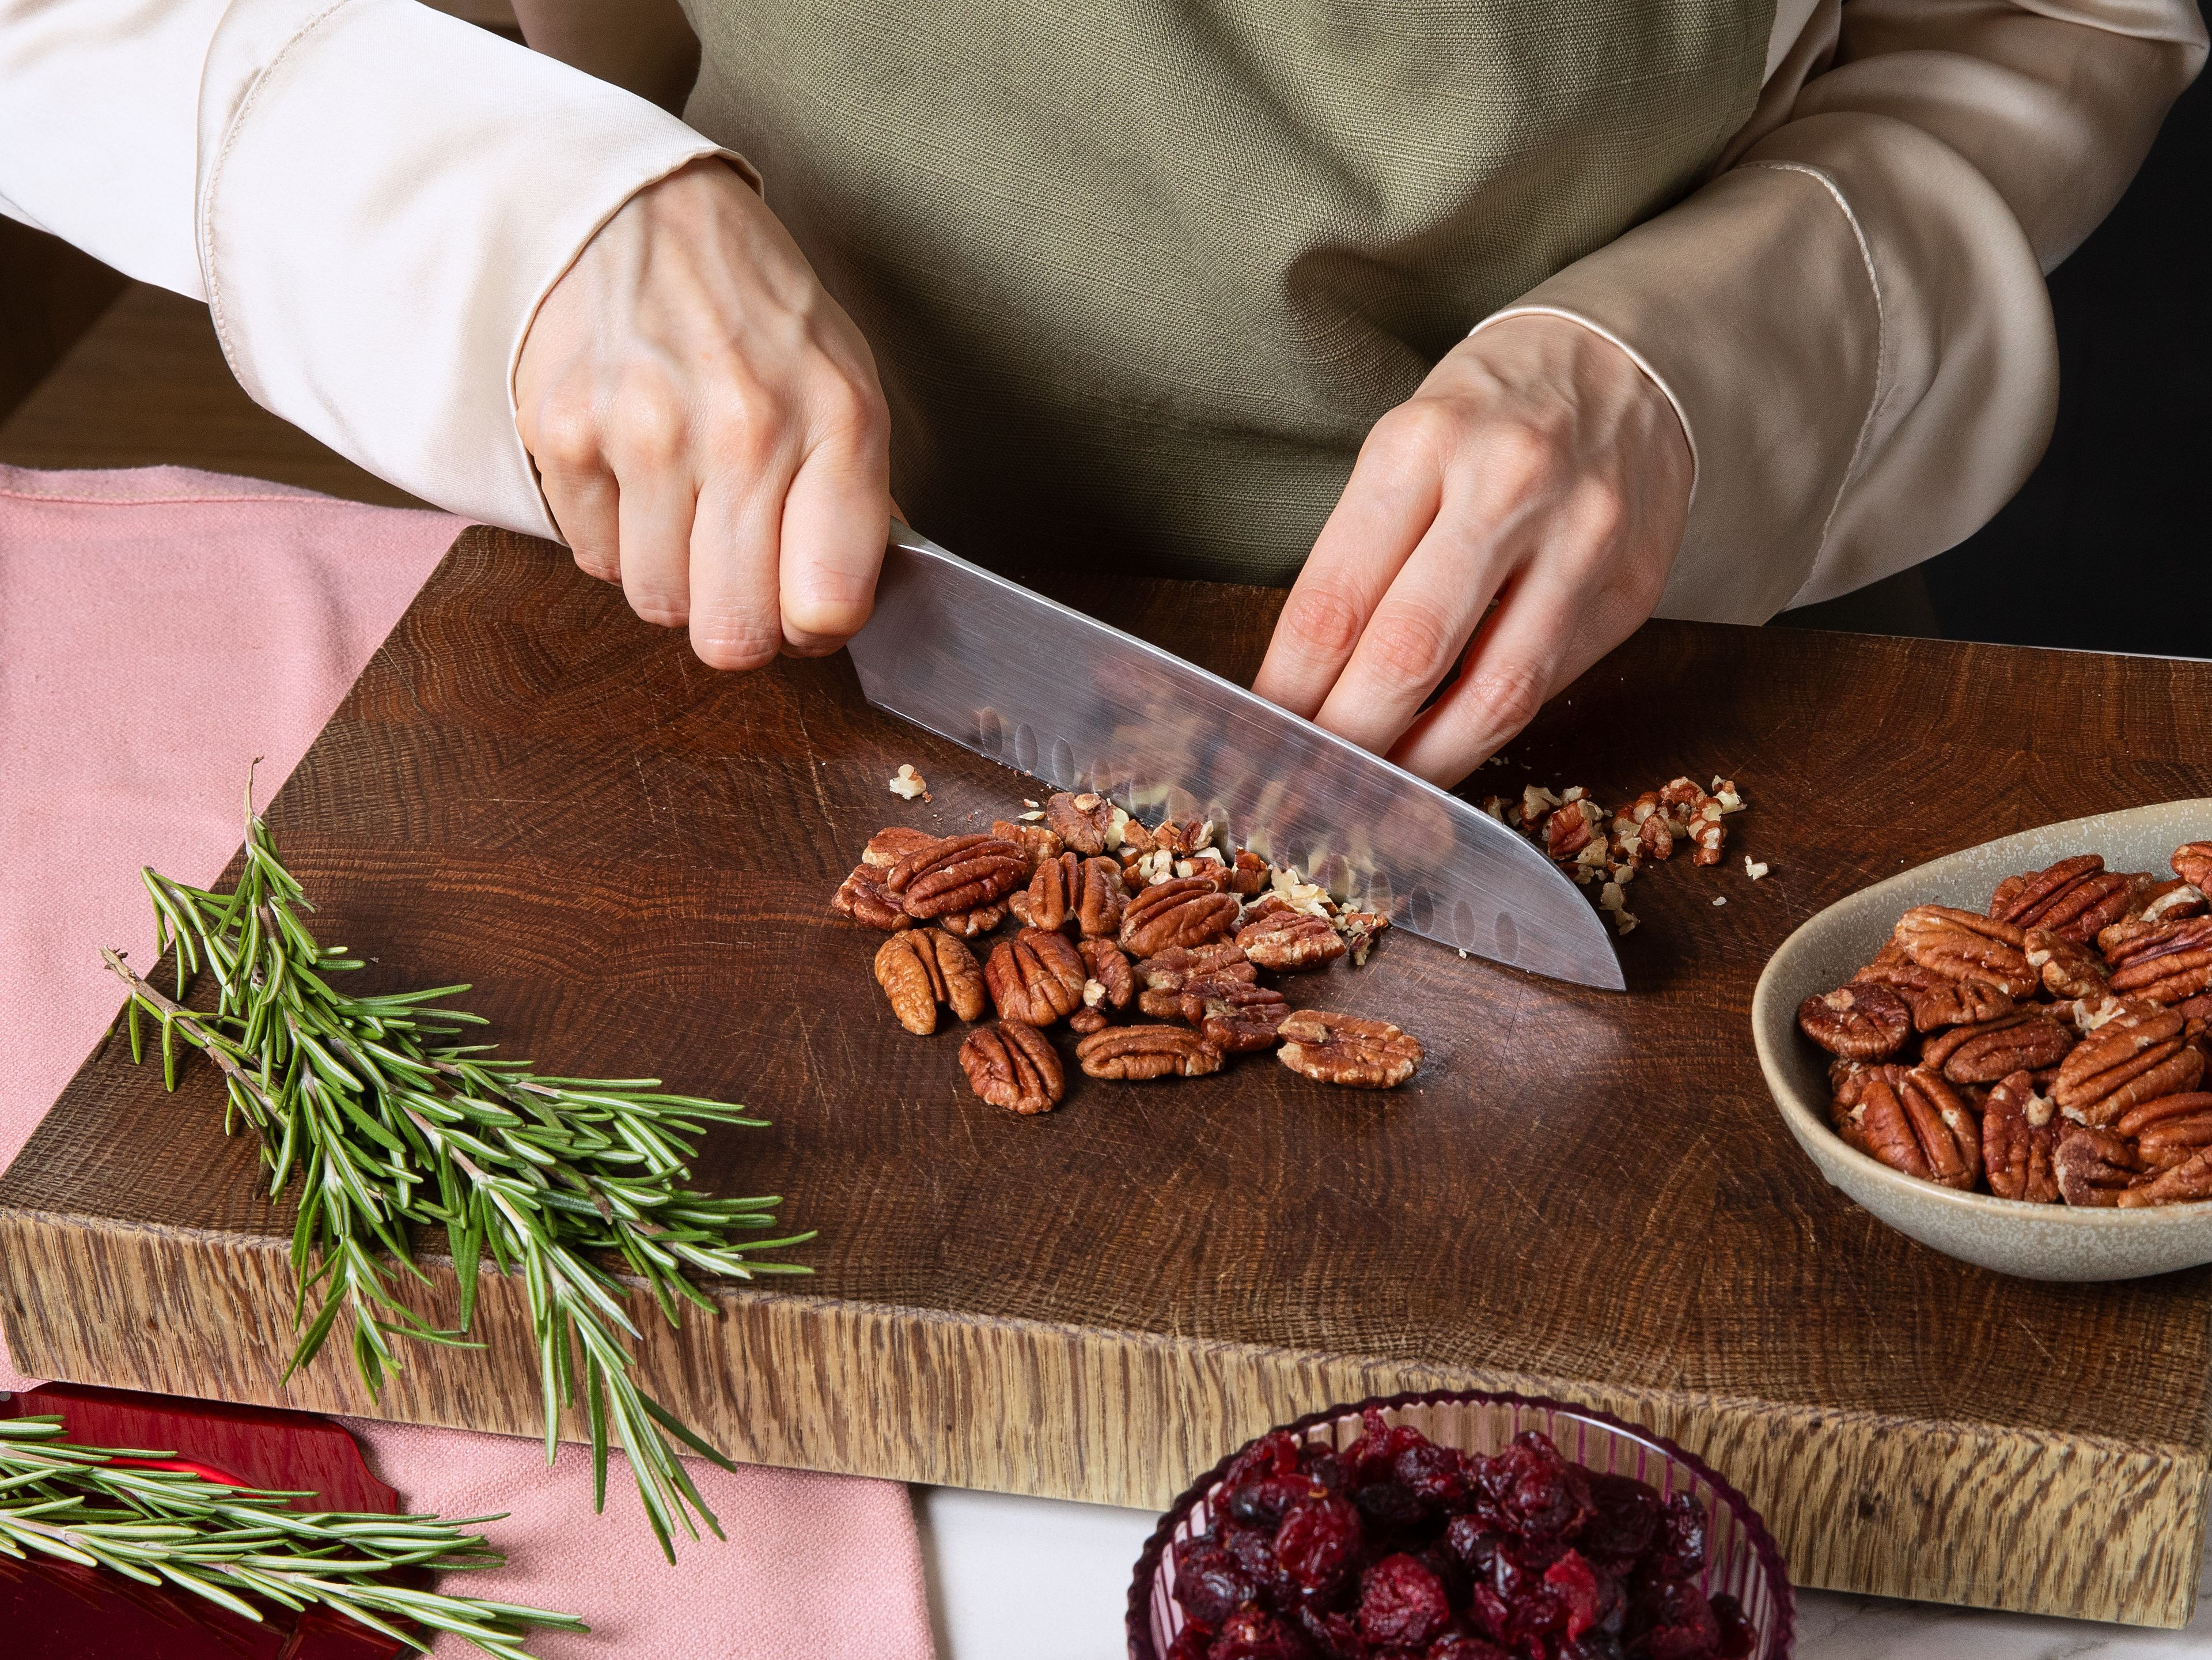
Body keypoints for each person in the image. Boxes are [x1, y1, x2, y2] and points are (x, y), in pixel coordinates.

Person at [2, 0, 2201, 788]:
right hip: (720, 678)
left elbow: (2048, 22)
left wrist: (1700, 356)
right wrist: (514, 203)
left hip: (1681, 691)